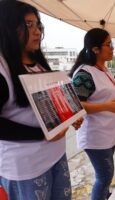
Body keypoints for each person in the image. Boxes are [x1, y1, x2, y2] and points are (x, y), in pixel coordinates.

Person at [0, 1, 82, 199]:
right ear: (7, 26)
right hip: (25, 168)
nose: (37, 31)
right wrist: (41, 134)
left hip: (55, 156)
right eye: (29, 25)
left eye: (38, 25)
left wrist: (71, 116)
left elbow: (48, 105)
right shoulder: (3, 68)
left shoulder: (37, 63)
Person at [70, 28, 115, 200]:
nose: (112, 48)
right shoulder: (84, 74)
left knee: (106, 176)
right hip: (95, 136)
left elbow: (106, 96)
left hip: (108, 133)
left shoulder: (103, 69)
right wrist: (106, 106)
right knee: (104, 177)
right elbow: (75, 105)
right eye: (108, 45)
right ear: (95, 49)